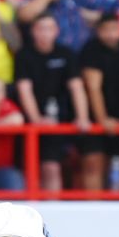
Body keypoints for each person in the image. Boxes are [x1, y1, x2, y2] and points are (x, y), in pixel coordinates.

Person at [14, 13, 90, 191]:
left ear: (56, 31)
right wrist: (36, 119)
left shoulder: (66, 54)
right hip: (30, 122)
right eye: (40, 28)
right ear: (33, 31)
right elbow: (24, 89)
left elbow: (76, 87)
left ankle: (51, 211)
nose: (44, 33)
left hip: (58, 119)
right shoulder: (24, 55)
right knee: (28, 169)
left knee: (52, 167)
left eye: (49, 29)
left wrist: (82, 117)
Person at [80, 13, 119, 190]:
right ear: (98, 31)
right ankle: (93, 211)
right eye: (105, 30)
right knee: (93, 162)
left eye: (114, 29)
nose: (110, 34)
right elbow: (93, 87)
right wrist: (103, 120)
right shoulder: (91, 48)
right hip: (96, 116)